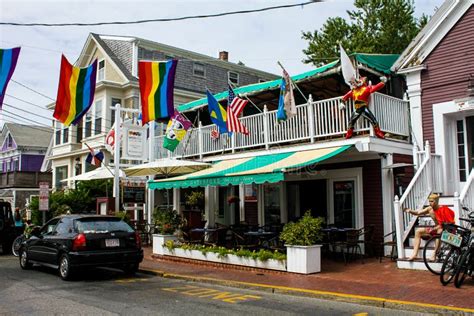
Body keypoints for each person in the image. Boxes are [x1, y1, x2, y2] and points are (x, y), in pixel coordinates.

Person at [403, 193, 455, 261]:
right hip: (436, 228)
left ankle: (434, 254)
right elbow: (418, 213)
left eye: (432, 201)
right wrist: (409, 211)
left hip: (445, 229)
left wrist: (434, 229)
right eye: (429, 201)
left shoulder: (443, 209)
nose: (430, 203)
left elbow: (447, 223)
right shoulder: (429, 209)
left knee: (439, 231)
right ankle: (414, 254)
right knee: (418, 231)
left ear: (436, 201)